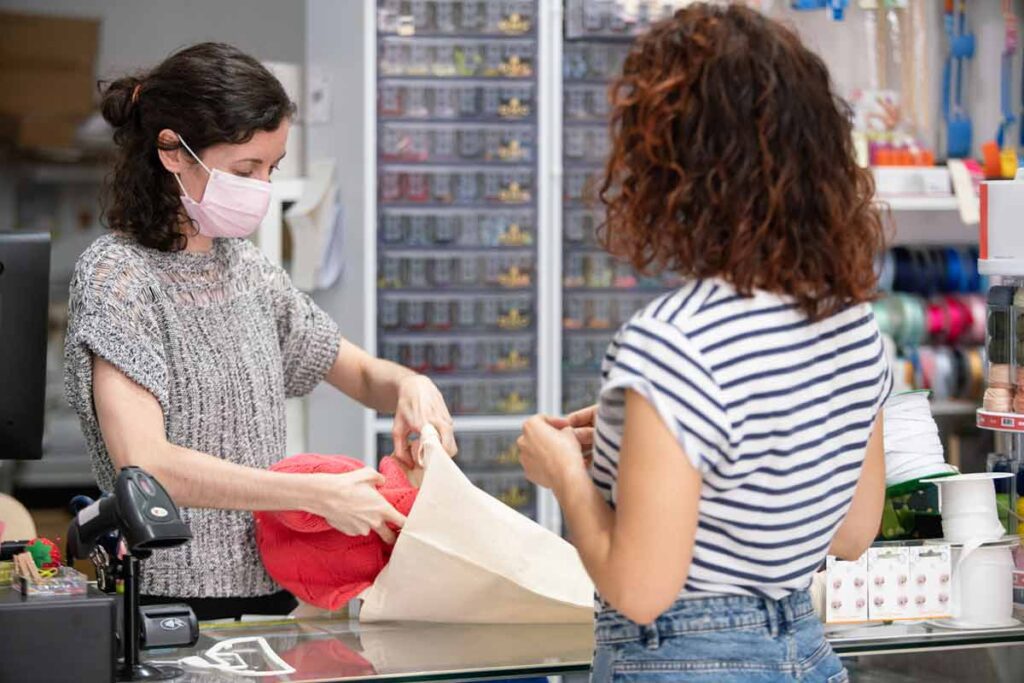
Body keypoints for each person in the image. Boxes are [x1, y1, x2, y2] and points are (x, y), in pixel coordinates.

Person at [517, 5, 889, 682]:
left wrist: (564, 473)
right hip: (805, 654)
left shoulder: (673, 342)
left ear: (670, 164)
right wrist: (652, 449)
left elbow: (640, 588)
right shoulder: (855, 325)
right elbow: (852, 531)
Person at [64, 42, 457, 621]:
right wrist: (314, 494)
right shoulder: (117, 278)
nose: (262, 188)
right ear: (173, 151)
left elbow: (361, 373)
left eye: (271, 169)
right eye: (246, 170)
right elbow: (146, 464)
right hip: (168, 602)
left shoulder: (245, 269)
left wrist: (411, 387)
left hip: (272, 593)